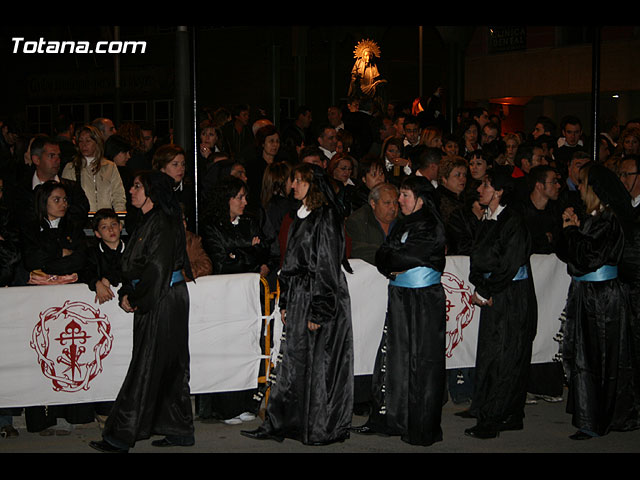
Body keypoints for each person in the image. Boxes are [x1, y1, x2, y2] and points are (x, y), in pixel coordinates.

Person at [241, 163, 354, 446]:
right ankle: (281, 423)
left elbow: (327, 265)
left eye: (299, 181)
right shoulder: (301, 216)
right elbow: (291, 261)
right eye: (294, 181)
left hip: (320, 295)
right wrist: (287, 300)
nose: (293, 186)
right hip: (302, 295)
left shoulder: (325, 216)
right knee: (292, 362)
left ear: (312, 184)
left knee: (321, 364)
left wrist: (320, 309)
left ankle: (320, 426)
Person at [89, 170, 195, 452]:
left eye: (137, 186)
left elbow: (156, 269)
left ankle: (120, 436)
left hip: (162, 298)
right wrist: (128, 291)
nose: (131, 191)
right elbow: (135, 264)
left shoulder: (161, 221)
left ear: (151, 191)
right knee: (168, 365)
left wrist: (135, 297)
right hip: (165, 296)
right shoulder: (152, 219)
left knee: (146, 366)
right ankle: (179, 428)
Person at [352, 175, 447, 446]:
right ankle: (394, 417)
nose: (399, 202)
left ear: (421, 199)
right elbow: (384, 256)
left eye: (405, 196)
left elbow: (403, 256)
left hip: (424, 300)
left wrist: (395, 258)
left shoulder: (431, 225)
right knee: (395, 357)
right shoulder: (403, 224)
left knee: (422, 361)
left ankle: (422, 426)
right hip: (401, 296)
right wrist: (394, 259)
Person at [556, 162, 640, 440]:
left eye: (582, 183)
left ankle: (597, 418)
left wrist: (571, 232)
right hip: (590, 294)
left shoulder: (609, 219)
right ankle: (594, 414)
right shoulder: (594, 217)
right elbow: (571, 256)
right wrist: (571, 230)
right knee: (588, 355)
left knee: (600, 357)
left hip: (603, 298)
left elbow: (587, 258)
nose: (578, 188)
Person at [463, 166, 538, 439]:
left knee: (506, 354)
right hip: (496, 290)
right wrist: (481, 284)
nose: (479, 189)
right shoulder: (488, 218)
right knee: (491, 351)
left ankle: (496, 416)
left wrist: (486, 289)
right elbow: (479, 257)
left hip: (510, 295)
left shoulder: (513, 221)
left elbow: (508, 264)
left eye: (485, 185)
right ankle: (490, 409)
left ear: (498, 191)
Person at [61, 125, 126, 214]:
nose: (84, 145)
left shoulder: (110, 166)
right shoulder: (71, 168)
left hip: (106, 222)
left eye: (88, 141)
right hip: (82, 222)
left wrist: (120, 220)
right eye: (80, 141)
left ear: (97, 142)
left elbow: (118, 196)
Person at [346, 182, 399, 265]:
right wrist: (392, 255)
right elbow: (357, 250)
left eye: (396, 202)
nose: (393, 208)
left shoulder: (403, 219)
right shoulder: (358, 221)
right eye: (387, 203)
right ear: (373, 204)